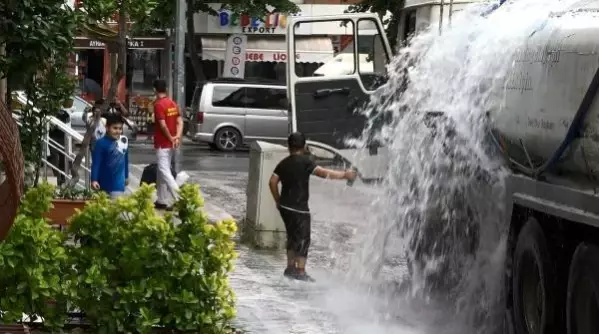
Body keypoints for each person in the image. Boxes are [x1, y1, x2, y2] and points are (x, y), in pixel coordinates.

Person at [268, 132, 357, 281]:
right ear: (304, 146)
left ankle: (290, 268)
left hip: (285, 207)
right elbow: (323, 173)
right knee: (303, 238)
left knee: (292, 236)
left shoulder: (283, 163)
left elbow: (272, 182)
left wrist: (278, 201)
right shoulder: (306, 162)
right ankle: (301, 271)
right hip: (299, 208)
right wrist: (344, 175)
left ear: (288, 146)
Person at [152, 79, 183, 210]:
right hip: (171, 143)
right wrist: (177, 136)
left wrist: (170, 137)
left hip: (163, 143)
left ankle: (180, 199)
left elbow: (163, 125)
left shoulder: (158, 105)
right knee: (161, 171)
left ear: (154, 90)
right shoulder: (172, 103)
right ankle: (161, 199)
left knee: (164, 171)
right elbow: (180, 121)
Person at [90, 114, 129, 199]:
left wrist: (126, 176)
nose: (118, 131)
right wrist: (94, 179)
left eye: (120, 128)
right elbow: (96, 163)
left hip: (118, 184)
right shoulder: (100, 143)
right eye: (115, 128)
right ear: (107, 128)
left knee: (116, 209)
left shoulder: (124, 141)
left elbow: (125, 160)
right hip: (103, 182)